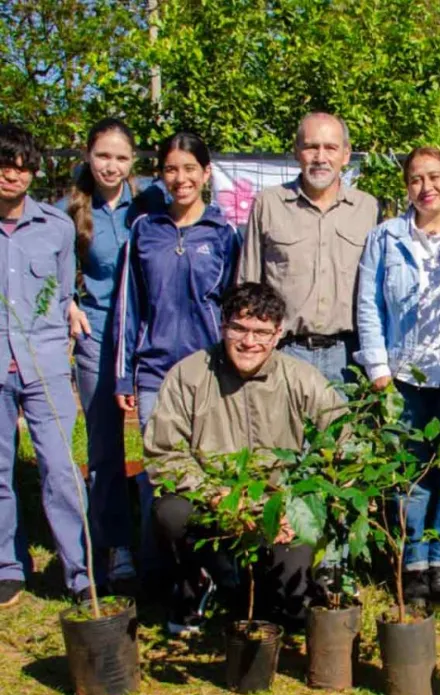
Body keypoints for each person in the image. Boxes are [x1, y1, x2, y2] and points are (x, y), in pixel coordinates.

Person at [145, 283, 346, 634]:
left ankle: (260, 587)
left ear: (278, 334)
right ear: (223, 326)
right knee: (171, 511)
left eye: (261, 332)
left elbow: (345, 442)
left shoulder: (303, 379)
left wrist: (299, 505)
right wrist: (215, 494)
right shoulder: (189, 375)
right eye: (239, 328)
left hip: (279, 507)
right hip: (213, 501)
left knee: (290, 616)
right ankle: (198, 582)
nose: (249, 342)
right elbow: (164, 453)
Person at [355, 146, 440, 606]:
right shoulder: (386, 239)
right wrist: (377, 368)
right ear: (407, 186)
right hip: (404, 376)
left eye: (435, 177)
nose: (426, 187)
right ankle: (412, 562)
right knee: (408, 473)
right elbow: (369, 306)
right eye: (416, 179)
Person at [113, 131, 241, 581]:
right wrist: (123, 376)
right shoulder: (144, 231)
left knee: (208, 473)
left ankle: (206, 575)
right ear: (160, 174)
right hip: (154, 372)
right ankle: (160, 571)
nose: (180, 178)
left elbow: (234, 308)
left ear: (206, 173)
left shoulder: (225, 234)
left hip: (208, 373)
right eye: (171, 168)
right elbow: (129, 307)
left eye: (190, 168)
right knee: (158, 476)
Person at [0, 123, 91, 607]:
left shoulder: (55, 228)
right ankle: (8, 566)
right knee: (0, 472)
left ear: (34, 171)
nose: (12, 174)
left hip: (46, 366)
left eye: (21, 166)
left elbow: (61, 294)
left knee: (60, 470)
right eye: (4, 164)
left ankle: (79, 570)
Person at [58, 118, 141, 594]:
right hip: (97, 337)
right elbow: (48, 261)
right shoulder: (68, 208)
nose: (111, 166)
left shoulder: (147, 203)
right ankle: (115, 543)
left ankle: (165, 543)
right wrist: (67, 300)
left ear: (133, 163)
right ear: (88, 155)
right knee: (105, 446)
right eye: (103, 155)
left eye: (121, 158)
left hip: (143, 336)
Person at [238, 112, 379, 385]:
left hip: (348, 358)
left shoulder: (368, 209)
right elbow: (249, 285)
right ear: (297, 151)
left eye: (330, 147)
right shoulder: (268, 205)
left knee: (343, 430)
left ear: (346, 155)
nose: (320, 157)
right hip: (283, 353)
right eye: (311, 146)